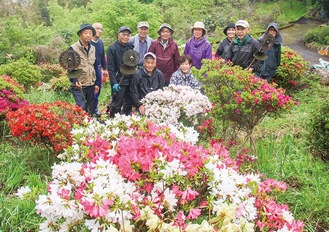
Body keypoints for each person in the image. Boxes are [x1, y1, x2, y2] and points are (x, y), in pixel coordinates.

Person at [68, 23, 98, 116]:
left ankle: (90, 127)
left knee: (91, 108)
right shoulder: (73, 48)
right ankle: (79, 126)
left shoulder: (93, 48)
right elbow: (69, 67)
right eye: (86, 33)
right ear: (80, 34)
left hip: (90, 84)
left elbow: (95, 66)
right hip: (79, 84)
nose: (88, 35)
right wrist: (74, 81)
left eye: (90, 33)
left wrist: (96, 83)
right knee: (82, 107)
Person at [106, 26, 135, 118]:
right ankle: (113, 122)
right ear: (119, 35)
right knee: (117, 104)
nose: (125, 37)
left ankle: (126, 121)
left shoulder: (130, 46)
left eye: (128, 35)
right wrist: (114, 83)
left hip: (130, 78)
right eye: (123, 34)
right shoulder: (112, 49)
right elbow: (111, 68)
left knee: (128, 103)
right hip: (119, 80)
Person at [90, 22, 108, 116]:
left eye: (101, 29)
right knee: (91, 90)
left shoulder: (100, 42)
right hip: (89, 70)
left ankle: (95, 110)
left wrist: (105, 68)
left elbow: (102, 55)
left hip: (98, 69)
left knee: (98, 89)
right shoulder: (88, 42)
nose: (99, 31)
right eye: (97, 28)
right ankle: (90, 110)